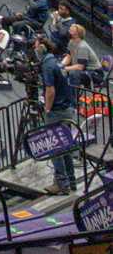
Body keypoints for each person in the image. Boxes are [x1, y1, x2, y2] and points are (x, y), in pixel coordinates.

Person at [40, 39, 77, 194]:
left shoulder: (47, 65)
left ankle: (61, 184)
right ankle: (71, 180)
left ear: (41, 48)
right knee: (65, 145)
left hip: (57, 111)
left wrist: (47, 109)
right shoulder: (55, 62)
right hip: (67, 109)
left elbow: (51, 91)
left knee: (55, 148)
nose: (33, 48)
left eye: (35, 45)